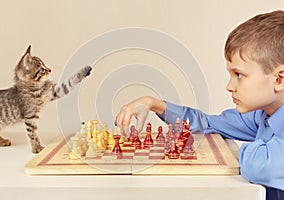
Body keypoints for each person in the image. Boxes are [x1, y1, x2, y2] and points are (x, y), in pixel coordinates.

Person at [115, 10, 284, 200]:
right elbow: (207, 123)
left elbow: (261, 167)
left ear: (279, 79)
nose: (229, 87)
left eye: (239, 75)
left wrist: (242, 151)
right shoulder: (261, 116)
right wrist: (154, 104)